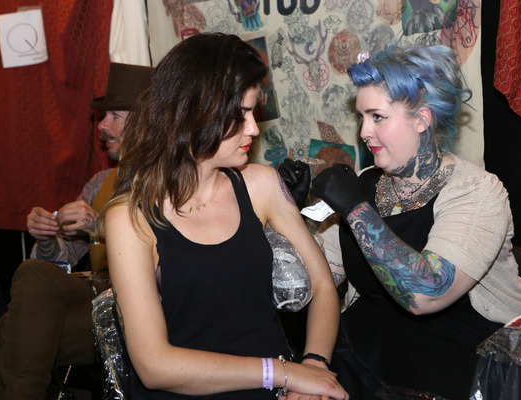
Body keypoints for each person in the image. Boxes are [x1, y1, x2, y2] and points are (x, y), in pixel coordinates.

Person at [285, 44, 521, 400]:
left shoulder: (476, 191)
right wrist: (285, 215)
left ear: (421, 120)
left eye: (377, 117)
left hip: (464, 353)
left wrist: (354, 209)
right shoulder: (364, 184)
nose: (364, 132)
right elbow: (308, 283)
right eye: (362, 117)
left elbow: (425, 294)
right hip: (375, 347)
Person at [100, 33, 348, 400]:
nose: (253, 129)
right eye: (240, 115)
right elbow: (154, 365)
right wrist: (284, 372)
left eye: (253, 113)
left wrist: (314, 363)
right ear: (194, 112)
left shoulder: (262, 185)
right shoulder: (130, 216)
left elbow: (323, 285)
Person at [0, 62, 154, 400]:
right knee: (33, 272)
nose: (102, 126)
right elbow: (58, 264)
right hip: (96, 294)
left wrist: (102, 226)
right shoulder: (100, 183)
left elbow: (169, 254)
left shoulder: (169, 180)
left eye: (114, 116)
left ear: (145, 122)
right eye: (103, 116)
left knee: (14, 329)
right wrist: (48, 237)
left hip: (143, 304)